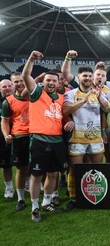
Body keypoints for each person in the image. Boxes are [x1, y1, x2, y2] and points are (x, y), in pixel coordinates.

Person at [62, 50, 110, 210]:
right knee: (75, 170)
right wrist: (83, 100)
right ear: (78, 78)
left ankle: (94, 197)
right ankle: (73, 199)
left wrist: (104, 133)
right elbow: (66, 111)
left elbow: (107, 111)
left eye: (90, 76)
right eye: (85, 76)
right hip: (77, 138)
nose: (88, 79)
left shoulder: (99, 93)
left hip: (96, 138)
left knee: (96, 170)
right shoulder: (71, 93)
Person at [22, 51, 67, 222]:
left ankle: (47, 202)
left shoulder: (62, 97)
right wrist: (31, 59)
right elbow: (26, 75)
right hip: (40, 140)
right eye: (48, 80)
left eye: (54, 81)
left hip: (57, 140)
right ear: (43, 81)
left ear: (57, 83)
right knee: (37, 175)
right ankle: (34, 207)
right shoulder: (37, 94)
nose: (50, 83)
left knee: (54, 174)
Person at [1, 72, 30, 211]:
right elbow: (5, 121)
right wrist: (6, 134)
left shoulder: (35, 96)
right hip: (19, 137)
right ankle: (20, 198)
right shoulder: (8, 101)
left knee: (40, 166)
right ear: (13, 85)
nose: (19, 84)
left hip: (37, 135)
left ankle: (44, 192)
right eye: (16, 82)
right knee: (20, 169)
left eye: (21, 80)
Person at [0, 79, 14, 199]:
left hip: (20, 136)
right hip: (2, 139)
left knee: (24, 164)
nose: (7, 88)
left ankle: (25, 183)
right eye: (4, 87)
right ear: (0, 89)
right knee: (6, 166)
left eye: (10, 86)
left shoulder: (21, 99)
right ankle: (9, 188)